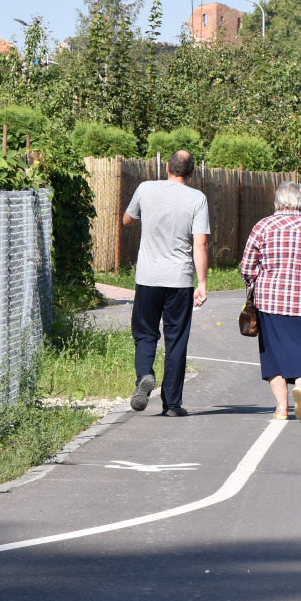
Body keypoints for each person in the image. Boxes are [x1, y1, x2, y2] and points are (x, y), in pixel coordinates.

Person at [240, 180, 301, 421]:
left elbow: (246, 267)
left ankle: (282, 409)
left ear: (277, 201)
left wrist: (254, 279)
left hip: (269, 302)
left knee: (272, 356)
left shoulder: (262, 226)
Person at [121, 149, 209, 417]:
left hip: (147, 278)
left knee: (146, 333)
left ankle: (145, 375)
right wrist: (202, 282)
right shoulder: (197, 198)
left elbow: (127, 219)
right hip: (179, 280)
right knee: (176, 340)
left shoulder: (146, 189)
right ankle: (171, 404)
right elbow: (200, 243)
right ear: (192, 173)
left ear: (167, 169)